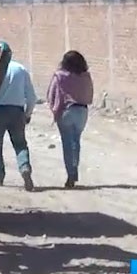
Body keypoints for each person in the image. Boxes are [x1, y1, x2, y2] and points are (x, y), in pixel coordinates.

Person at [0, 41, 38, 191]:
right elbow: (32, 97)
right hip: (17, 111)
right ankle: (24, 168)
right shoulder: (20, 69)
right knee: (20, 144)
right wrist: (27, 114)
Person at [46, 50, 94, 189]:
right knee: (76, 141)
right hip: (82, 111)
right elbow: (90, 92)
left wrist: (54, 109)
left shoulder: (60, 76)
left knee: (67, 144)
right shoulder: (86, 76)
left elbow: (52, 94)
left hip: (66, 111)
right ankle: (74, 169)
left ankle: (70, 175)